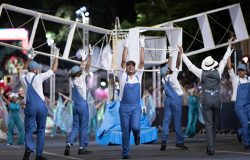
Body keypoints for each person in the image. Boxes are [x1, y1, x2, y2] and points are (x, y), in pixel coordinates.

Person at [179, 38, 233, 155]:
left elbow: (190, 66)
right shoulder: (218, 72)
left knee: (208, 124)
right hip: (217, 101)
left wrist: (182, 53)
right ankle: (211, 142)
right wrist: (229, 48)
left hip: (207, 101)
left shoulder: (202, 73)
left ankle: (211, 147)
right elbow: (224, 60)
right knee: (214, 124)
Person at [21, 47, 59, 160]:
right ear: (35, 70)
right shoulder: (39, 77)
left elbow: (24, 68)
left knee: (28, 130)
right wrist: (56, 57)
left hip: (30, 106)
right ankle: (39, 155)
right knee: (41, 131)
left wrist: (30, 57)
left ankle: (29, 147)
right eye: (37, 68)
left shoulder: (23, 78)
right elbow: (54, 70)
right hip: (41, 106)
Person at [117, 34, 145, 159]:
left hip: (136, 107)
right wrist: (126, 44)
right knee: (125, 132)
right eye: (128, 65)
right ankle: (125, 153)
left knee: (135, 127)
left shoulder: (139, 75)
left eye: (132, 65)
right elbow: (123, 61)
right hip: (124, 108)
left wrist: (142, 45)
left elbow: (142, 61)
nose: (130, 66)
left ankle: (137, 135)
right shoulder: (122, 76)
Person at [64, 45, 93, 156]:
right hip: (82, 105)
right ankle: (81, 148)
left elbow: (80, 69)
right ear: (79, 73)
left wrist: (82, 59)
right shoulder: (81, 78)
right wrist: (89, 55)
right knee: (83, 126)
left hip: (75, 106)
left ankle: (69, 144)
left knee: (76, 127)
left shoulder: (72, 79)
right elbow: (87, 67)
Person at [160, 46, 188, 151]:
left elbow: (168, 65)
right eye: (167, 69)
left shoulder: (163, 79)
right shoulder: (173, 77)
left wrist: (170, 55)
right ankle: (179, 142)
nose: (168, 68)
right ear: (167, 72)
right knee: (177, 121)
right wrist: (180, 53)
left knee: (166, 121)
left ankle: (163, 141)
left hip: (167, 100)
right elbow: (178, 64)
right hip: (176, 100)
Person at [227, 51, 250, 149]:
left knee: (247, 125)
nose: (239, 71)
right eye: (238, 70)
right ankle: (247, 143)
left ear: (245, 71)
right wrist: (228, 52)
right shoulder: (235, 78)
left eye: (241, 70)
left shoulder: (249, 79)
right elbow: (229, 67)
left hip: (248, 104)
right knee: (245, 123)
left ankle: (240, 132)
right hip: (239, 105)